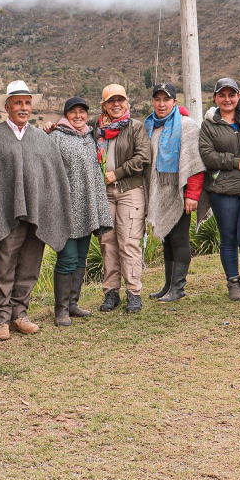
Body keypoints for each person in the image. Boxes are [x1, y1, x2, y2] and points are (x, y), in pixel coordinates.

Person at [0, 80, 72, 340]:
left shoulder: (41, 138)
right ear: (7, 106)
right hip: (6, 214)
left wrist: (50, 206)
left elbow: (53, 176)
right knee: (4, 266)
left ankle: (19, 315)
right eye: (18, 103)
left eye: (27, 103)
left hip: (38, 215)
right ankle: (1, 320)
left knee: (30, 266)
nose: (24, 107)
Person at [48, 97, 114, 325]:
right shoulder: (56, 136)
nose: (78, 116)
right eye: (73, 112)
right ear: (66, 115)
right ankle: (61, 310)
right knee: (66, 258)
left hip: (86, 207)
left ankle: (73, 304)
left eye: (82, 112)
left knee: (80, 259)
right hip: (65, 208)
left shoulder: (89, 136)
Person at [198, 78, 240, 301]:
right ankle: (233, 282)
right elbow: (207, 156)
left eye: (231, 94)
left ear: (239, 96)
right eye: (222, 95)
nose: (227, 99)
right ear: (215, 98)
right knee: (228, 237)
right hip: (223, 189)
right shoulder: (209, 125)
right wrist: (236, 162)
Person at [144, 83, 206, 303]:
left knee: (179, 239)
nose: (162, 104)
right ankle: (168, 285)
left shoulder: (187, 126)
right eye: (157, 99)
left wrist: (192, 194)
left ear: (174, 102)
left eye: (166, 100)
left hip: (180, 192)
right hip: (160, 191)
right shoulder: (150, 125)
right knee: (167, 240)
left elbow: (195, 163)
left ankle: (178, 288)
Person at [92, 84, 152, 313]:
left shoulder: (135, 128)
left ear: (127, 102)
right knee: (108, 243)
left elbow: (142, 157)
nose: (116, 104)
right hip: (104, 194)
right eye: (111, 100)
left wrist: (116, 173)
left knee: (128, 242)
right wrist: (52, 126)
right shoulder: (96, 127)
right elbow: (72, 125)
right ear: (104, 105)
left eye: (120, 99)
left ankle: (134, 292)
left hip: (130, 190)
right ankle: (111, 293)